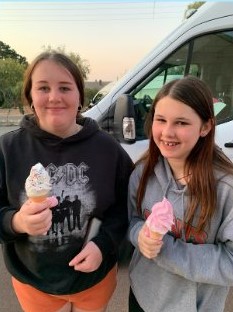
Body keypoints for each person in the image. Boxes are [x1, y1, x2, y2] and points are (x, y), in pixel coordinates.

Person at [0, 51, 134, 312]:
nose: (54, 96)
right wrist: (17, 221)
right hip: (35, 284)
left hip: (94, 280)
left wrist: (103, 245)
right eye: (43, 88)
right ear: (30, 96)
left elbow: (125, 209)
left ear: (79, 96)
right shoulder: (7, 150)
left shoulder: (108, 150)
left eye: (65, 87)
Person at [127, 76, 233, 312]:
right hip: (142, 296)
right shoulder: (142, 173)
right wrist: (140, 236)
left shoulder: (226, 189)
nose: (167, 132)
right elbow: (132, 221)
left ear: (205, 127)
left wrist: (167, 249)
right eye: (161, 120)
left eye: (182, 123)